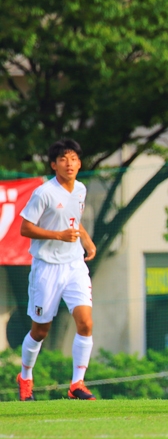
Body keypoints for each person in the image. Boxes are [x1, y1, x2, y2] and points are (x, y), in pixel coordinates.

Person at [17, 139, 97, 401]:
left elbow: (75, 221)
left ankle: (77, 384)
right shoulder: (44, 193)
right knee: (40, 330)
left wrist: (86, 241)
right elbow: (25, 228)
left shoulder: (81, 190)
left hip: (74, 265)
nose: (69, 163)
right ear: (54, 165)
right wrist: (57, 236)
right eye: (63, 159)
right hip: (47, 268)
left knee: (85, 323)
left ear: (80, 163)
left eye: (73, 158)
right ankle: (25, 375)